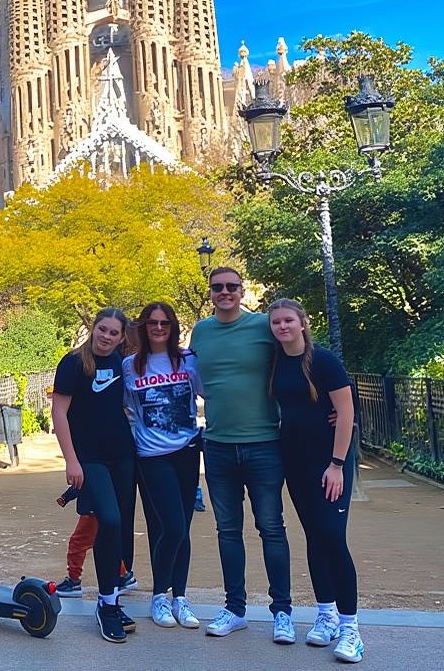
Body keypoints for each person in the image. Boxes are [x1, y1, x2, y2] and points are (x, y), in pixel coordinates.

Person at [189, 267, 295, 645]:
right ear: (211, 292)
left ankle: (282, 611)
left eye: (232, 286)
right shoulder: (200, 331)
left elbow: (299, 360)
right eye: (218, 287)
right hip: (217, 446)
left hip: (264, 444)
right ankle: (235, 609)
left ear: (242, 290)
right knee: (228, 531)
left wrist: (328, 404)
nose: (225, 292)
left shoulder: (263, 327)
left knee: (271, 528)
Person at [268, 299, 363, 663]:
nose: (282, 327)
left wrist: (337, 463)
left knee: (333, 538)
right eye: (276, 322)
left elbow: (346, 411)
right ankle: (326, 615)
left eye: (288, 320)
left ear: (303, 323)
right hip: (295, 462)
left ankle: (351, 627)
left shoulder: (323, 360)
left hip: (329, 464)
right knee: (313, 537)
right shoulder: (276, 361)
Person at [51, 307, 136, 643]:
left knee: (120, 527)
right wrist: (71, 461)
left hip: (123, 455)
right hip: (90, 458)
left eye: (114, 333)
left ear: (121, 336)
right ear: (94, 328)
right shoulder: (73, 362)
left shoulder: (122, 361)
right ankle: (107, 604)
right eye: (102, 329)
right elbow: (59, 412)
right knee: (110, 520)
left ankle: (110, 599)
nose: (106, 336)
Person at [122, 302, 203, 630]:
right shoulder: (129, 366)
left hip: (187, 452)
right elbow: (116, 408)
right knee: (170, 526)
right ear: (143, 327)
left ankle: (179, 598)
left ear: (172, 326)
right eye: (152, 323)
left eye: (164, 322)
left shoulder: (188, 361)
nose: (158, 328)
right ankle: (159, 595)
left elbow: (214, 392)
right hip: (152, 457)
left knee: (182, 526)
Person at [53, 485, 134, 598]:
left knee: (77, 543)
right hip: (103, 507)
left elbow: (82, 481)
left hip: (92, 510)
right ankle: (123, 576)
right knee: (105, 545)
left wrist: (66, 496)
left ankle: (73, 581)